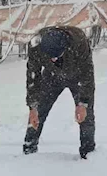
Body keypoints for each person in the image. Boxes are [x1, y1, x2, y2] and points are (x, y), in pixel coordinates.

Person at [23, 25, 96, 158]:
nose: (53, 59)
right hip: (51, 77)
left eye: (56, 56)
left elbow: (87, 73)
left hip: (77, 76)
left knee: (86, 116)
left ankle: (88, 151)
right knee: (39, 111)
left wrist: (83, 103)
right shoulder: (36, 46)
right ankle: (29, 148)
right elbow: (33, 76)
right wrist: (32, 106)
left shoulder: (78, 40)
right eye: (50, 56)